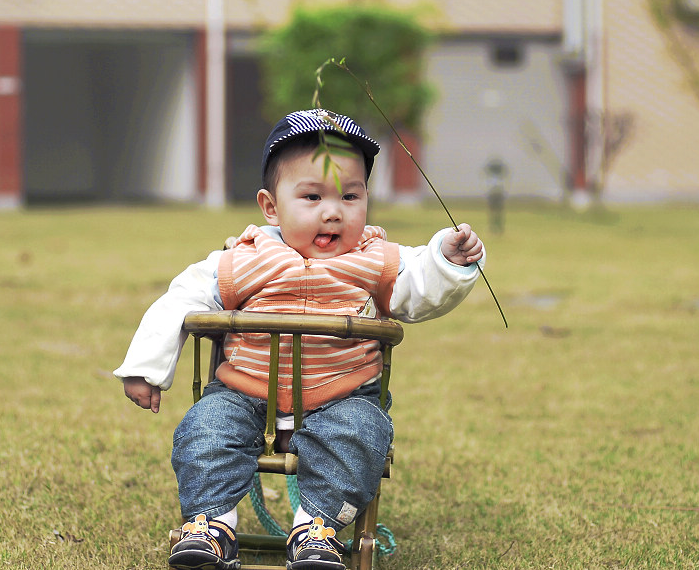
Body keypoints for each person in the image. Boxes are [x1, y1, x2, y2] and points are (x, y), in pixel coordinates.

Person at [116, 108, 485, 570]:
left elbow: (422, 288)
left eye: (350, 196)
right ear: (271, 207)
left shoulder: (378, 259)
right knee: (206, 429)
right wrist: (146, 367)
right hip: (244, 390)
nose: (333, 211)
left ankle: (316, 527)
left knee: (361, 433)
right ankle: (211, 524)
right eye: (312, 196)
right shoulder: (242, 259)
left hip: (342, 394)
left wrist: (449, 261)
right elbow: (180, 299)